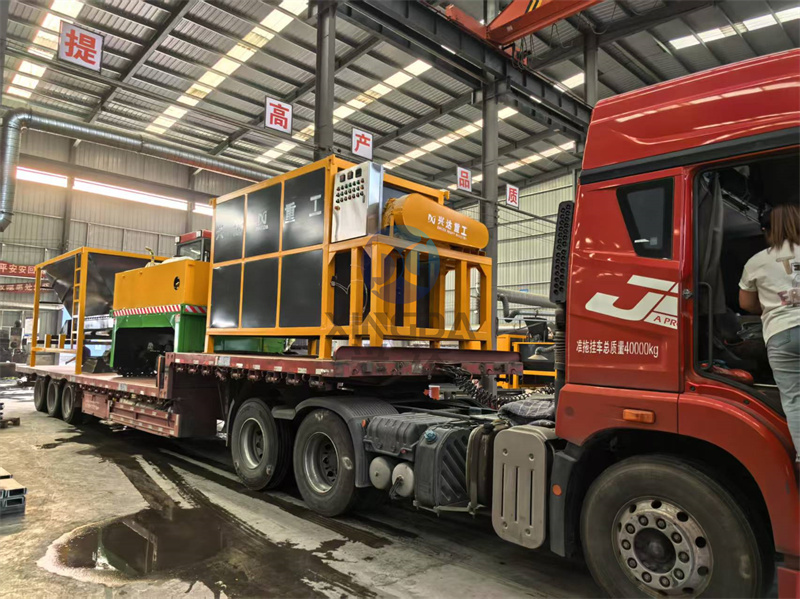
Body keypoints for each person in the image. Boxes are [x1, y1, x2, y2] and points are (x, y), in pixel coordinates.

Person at [739, 203, 800, 461]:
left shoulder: (756, 262)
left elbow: (746, 304)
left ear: (767, 231)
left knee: (795, 399)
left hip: (781, 333)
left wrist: (770, 307)